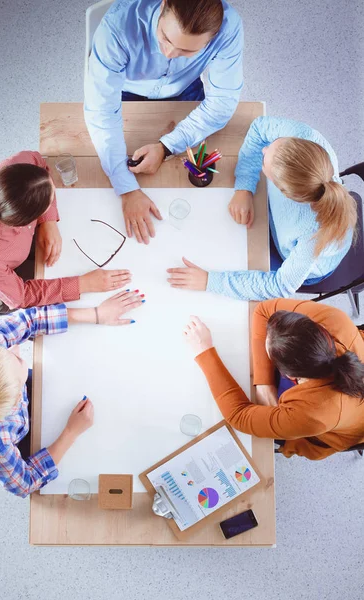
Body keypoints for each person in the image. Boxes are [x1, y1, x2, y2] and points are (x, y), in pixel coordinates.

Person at [0, 290, 144, 497]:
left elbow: (27, 319)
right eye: (19, 360)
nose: (16, 352)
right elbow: (25, 483)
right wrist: (71, 432)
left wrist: (97, 314)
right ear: (14, 403)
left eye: (8, 353)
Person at [84, 0, 243, 244]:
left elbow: (221, 105)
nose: (168, 53)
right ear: (163, 6)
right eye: (165, 38)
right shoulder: (115, 28)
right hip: (126, 88)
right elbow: (102, 113)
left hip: (185, 86)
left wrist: (166, 147)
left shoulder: (229, 27)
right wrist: (126, 188)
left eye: (187, 51)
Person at [167, 117, 357, 300]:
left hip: (292, 259)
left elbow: (280, 286)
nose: (263, 149)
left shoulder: (313, 237)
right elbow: (259, 129)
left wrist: (209, 281)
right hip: (280, 225)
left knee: (227, 261)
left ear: (285, 192)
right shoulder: (306, 137)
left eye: (264, 160)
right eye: (275, 145)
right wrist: (244, 187)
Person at [0, 151, 132, 312]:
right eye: (49, 203)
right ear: (25, 223)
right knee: (53, 294)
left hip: (4, 259)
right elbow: (22, 298)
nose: (53, 200)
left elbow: (38, 161)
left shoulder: (10, 171)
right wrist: (83, 284)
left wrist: (49, 221)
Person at [183, 299, 364, 460]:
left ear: (289, 376)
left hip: (332, 428)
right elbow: (263, 310)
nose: (265, 334)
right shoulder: (335, 320)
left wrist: (204, 351)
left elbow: (238, 416)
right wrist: (264, 384)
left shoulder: (314, 414)